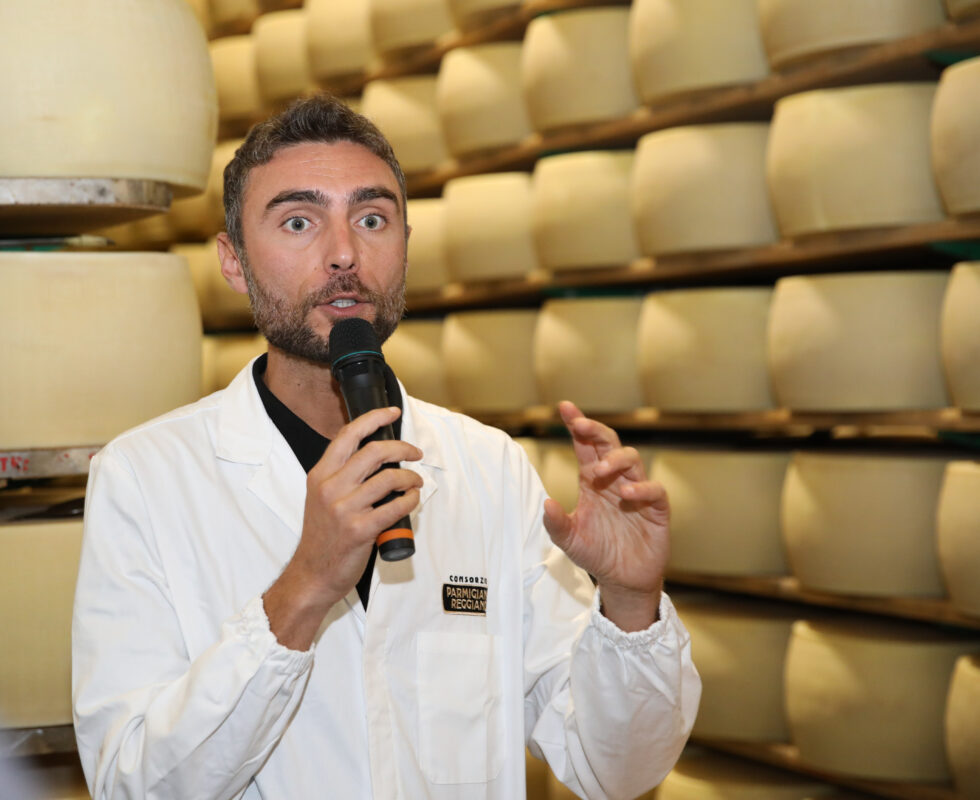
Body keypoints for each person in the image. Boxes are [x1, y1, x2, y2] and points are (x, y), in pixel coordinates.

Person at [71, 94, 700, 800]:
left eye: (371, 219)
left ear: (405, 243)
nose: (344, 254)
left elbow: (614, 770)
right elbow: (130, 784)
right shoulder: (147, 480)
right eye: (299, 222)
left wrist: (630, 607)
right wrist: (302, 590)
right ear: (235, 261)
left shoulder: (487, 469)